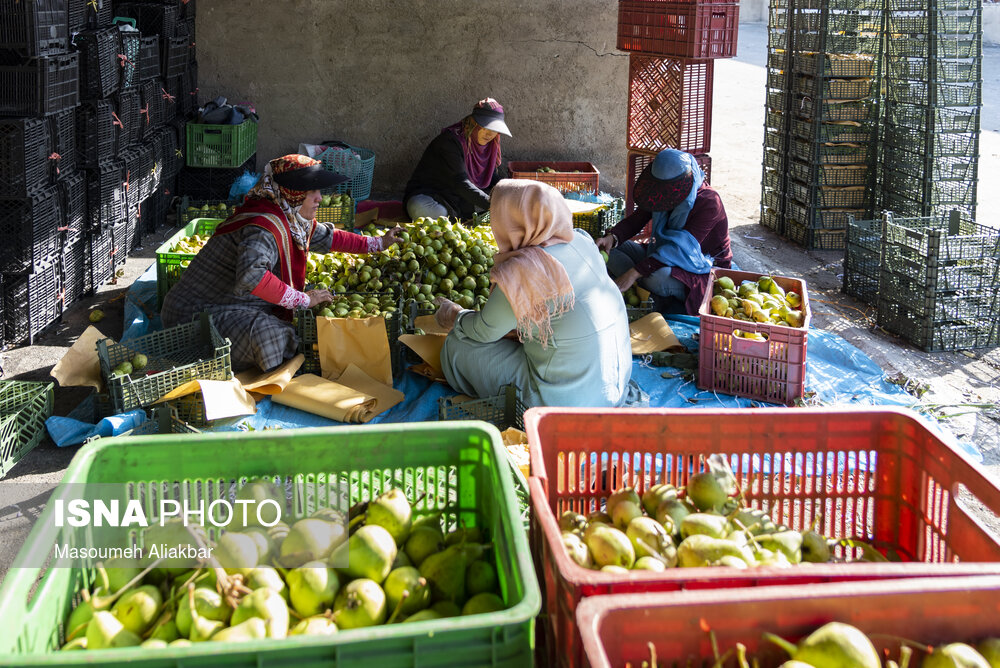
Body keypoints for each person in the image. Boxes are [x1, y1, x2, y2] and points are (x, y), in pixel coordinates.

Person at [161, 154, 403, 373]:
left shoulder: (289, 215)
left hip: (236, 303)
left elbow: (329, 238)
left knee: (290, 319)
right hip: (196, 315)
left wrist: (379, 243)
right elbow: (251, 277)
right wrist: (304, 299)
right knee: (269, 335)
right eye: (313, 192)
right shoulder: (263, 227)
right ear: (295, 194)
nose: (320, 198)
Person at [434, 179, 633, 408]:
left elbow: (483, 331)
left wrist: (455, 315)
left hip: (565, 404)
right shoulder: (582, 240)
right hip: (613, 387)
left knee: (457, 346)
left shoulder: (524, 270)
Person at [597, 149, 732, 315]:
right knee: (611, 250)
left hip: (699, 270)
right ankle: (642, 289)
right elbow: (637, 219)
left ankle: (653, 292)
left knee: (656, 278)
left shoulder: (710, 203)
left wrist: (634, 272)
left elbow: (678, 250)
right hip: (663, 256)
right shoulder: (662, 194)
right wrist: (612, 237)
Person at [403, 97, 511, 221]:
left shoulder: (489, 147)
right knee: (420, 209)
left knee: (498, 205)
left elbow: (491, 177)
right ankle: (460, 218)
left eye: (495, 130)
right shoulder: (450, 142)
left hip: (461, 199)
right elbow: (461, 183)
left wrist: (511, 191)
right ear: (474, 123)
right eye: (485, 127)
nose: (490, 134)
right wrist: (495, 206)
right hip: (432, 195)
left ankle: (463, 217)